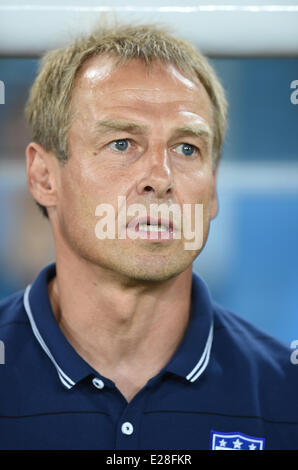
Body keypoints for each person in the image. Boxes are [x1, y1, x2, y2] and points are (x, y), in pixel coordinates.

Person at [0, 22, 297, 451]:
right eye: (122, 144)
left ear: (212, 188)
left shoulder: (284, 394)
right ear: (44, 176)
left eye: (186, 148)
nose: (160, 178)